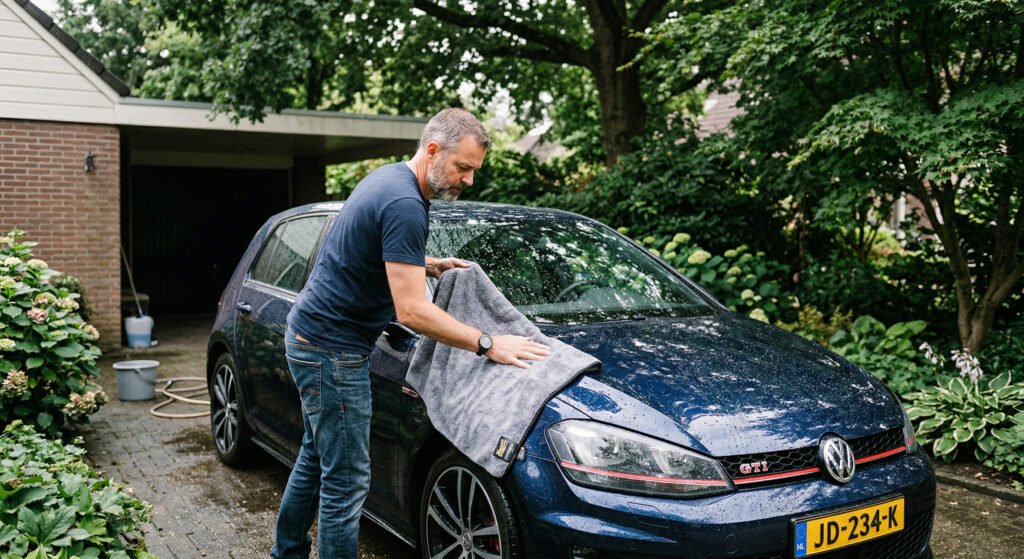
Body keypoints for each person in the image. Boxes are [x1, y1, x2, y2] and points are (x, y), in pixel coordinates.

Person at [271, 108, 551, 559]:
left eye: (474, 171)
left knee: (315, 457)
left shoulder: (391, 180)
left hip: (311, 337)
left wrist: (428, 264)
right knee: (347, 480)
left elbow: (370, 252)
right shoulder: (405, 203)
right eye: (463, 168)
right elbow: (413, 311)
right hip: (333, 352)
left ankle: (287, 553)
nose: (468, 180)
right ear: (434, 150)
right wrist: (488, 342)